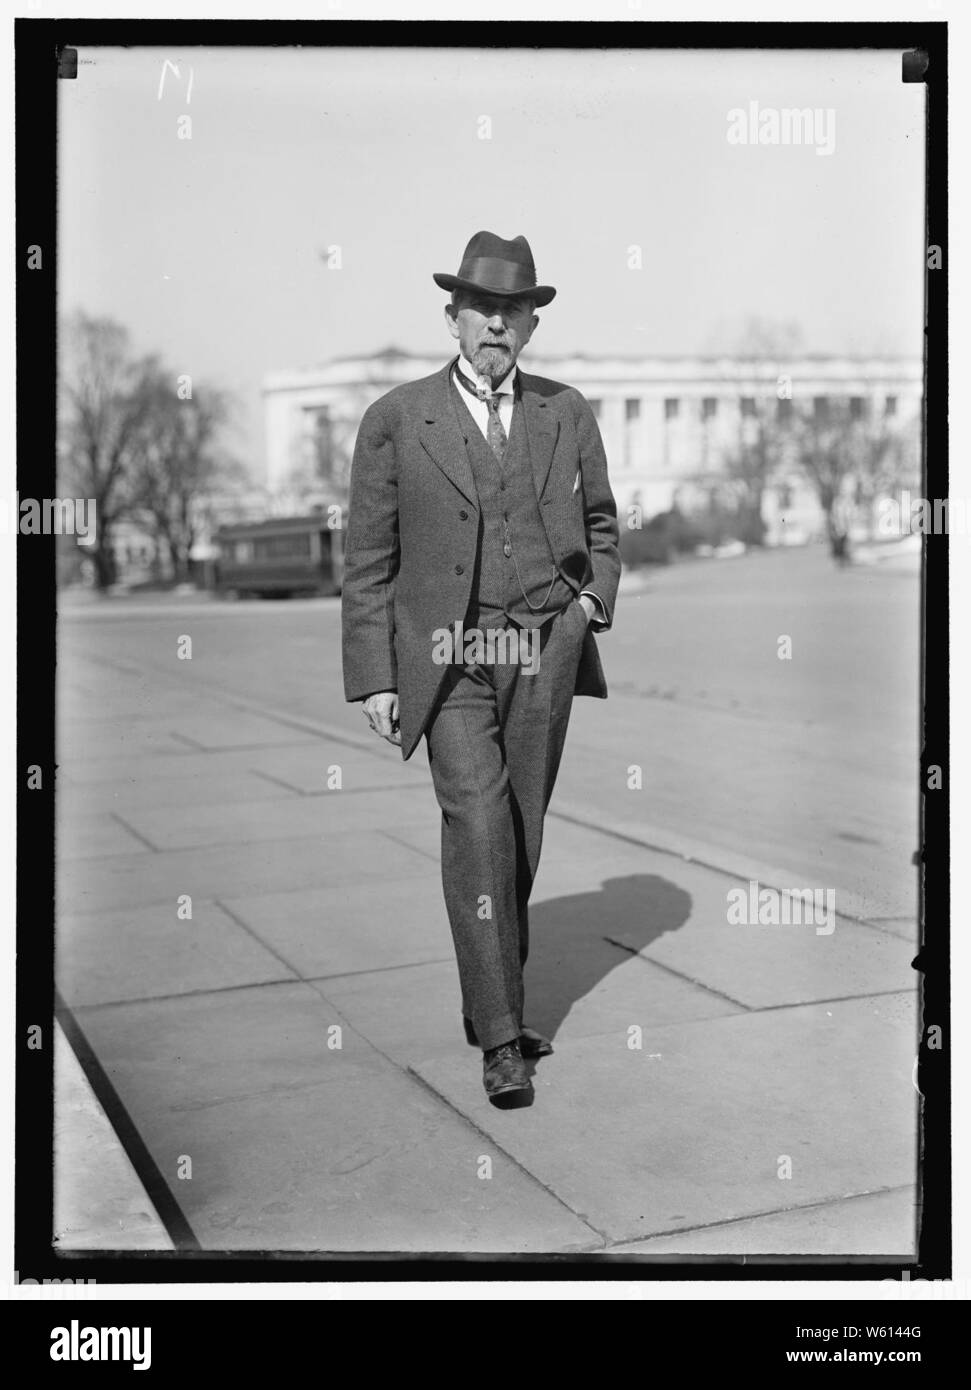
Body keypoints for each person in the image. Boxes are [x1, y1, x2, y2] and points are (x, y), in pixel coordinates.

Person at [341, 231, 620, 1107]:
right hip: (449, 655)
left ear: (530, 327)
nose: (497, 326)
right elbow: (366, 560)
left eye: (514, 312)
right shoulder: (395, 417)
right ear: (453, 317)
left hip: (543, 641)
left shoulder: (565, 412)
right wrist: (374, 675)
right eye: (483, 309)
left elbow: (605, 528)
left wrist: (588, 605)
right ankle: (502, 1037)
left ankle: (485, 993)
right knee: (480, 827)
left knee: (523, 829)